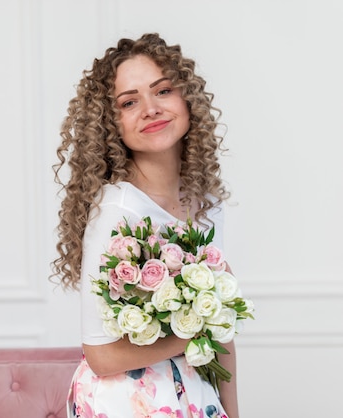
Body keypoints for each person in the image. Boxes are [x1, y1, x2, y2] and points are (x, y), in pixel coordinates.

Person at [51, 33, 240, 417]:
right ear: (111, 124)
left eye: (163, 91)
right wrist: (197, 331)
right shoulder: (117, 209)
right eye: (129, 102)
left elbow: (224, 334)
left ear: (187, 99)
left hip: (193, 393)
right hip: (125, 401)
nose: (150, 109)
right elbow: (101, 356)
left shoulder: (206, 204)